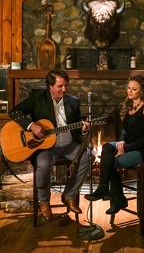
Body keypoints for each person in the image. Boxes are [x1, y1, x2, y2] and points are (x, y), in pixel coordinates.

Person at [9, 69, 94, 221]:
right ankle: (44, 201)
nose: (64, 89)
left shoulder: (73, 101)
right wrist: (31, 126)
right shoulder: (37, 98)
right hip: (46, 147)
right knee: (43, 164)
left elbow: (77, 127)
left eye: (66, 85)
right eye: (60, 86)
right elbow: (14, 112)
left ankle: (68, 195)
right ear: (50, 86)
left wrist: (84, 129)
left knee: (89, 156)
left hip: (68, 145)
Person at [85, 75, 144, 214]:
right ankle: (104, 188)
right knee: (107, 147)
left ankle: (118, 198)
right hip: (131, 145)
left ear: (142, 91)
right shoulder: (129, 106)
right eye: (128, 88)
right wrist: (121, 141)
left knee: (111, 163)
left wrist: (126, 148)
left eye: (134, 89)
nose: (129, 91)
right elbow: (125, 129)